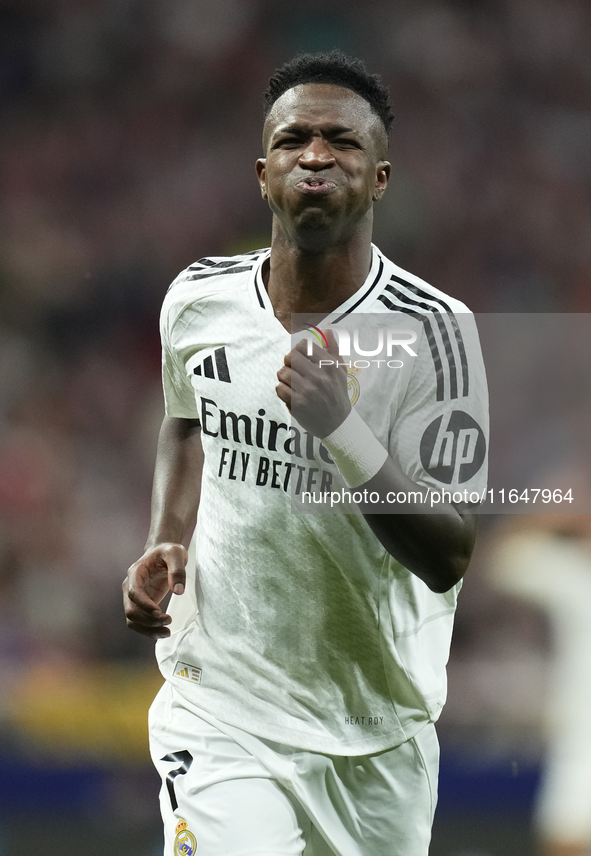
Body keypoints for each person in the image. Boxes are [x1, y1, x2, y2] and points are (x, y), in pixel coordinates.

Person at [123, 51, 488, 856]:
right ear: (263, 172)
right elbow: (185, 421)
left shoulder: (435, 334)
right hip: (221, 705)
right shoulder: (198, 298)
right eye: (294, 140)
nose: (315, 155)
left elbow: (449, 552)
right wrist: (167, 538)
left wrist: (344, 430)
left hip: (374, 728)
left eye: (341, 142)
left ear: (380, 177)